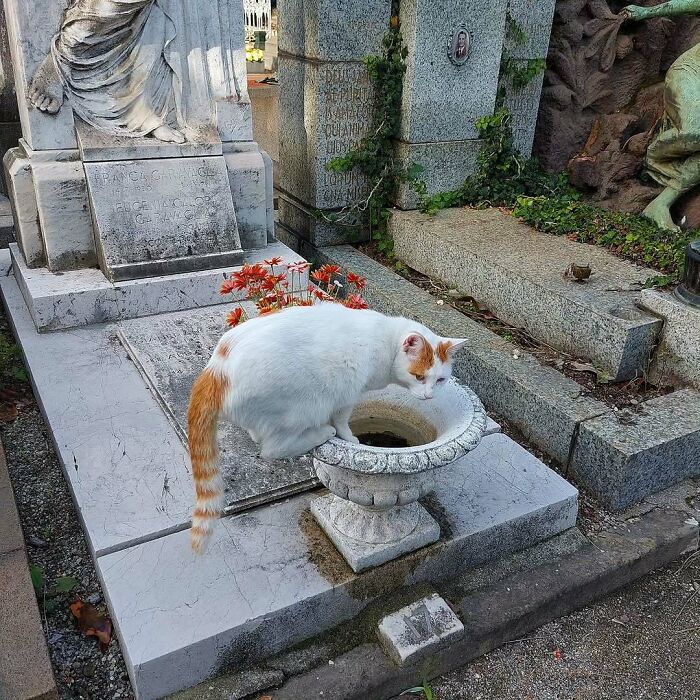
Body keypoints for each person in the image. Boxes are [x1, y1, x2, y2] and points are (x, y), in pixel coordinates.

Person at [624, 1, 700, 232]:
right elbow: (685, 4)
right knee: (694, 133)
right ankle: (654, 156)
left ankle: (660, 204)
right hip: (691, 74)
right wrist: (646, 12)